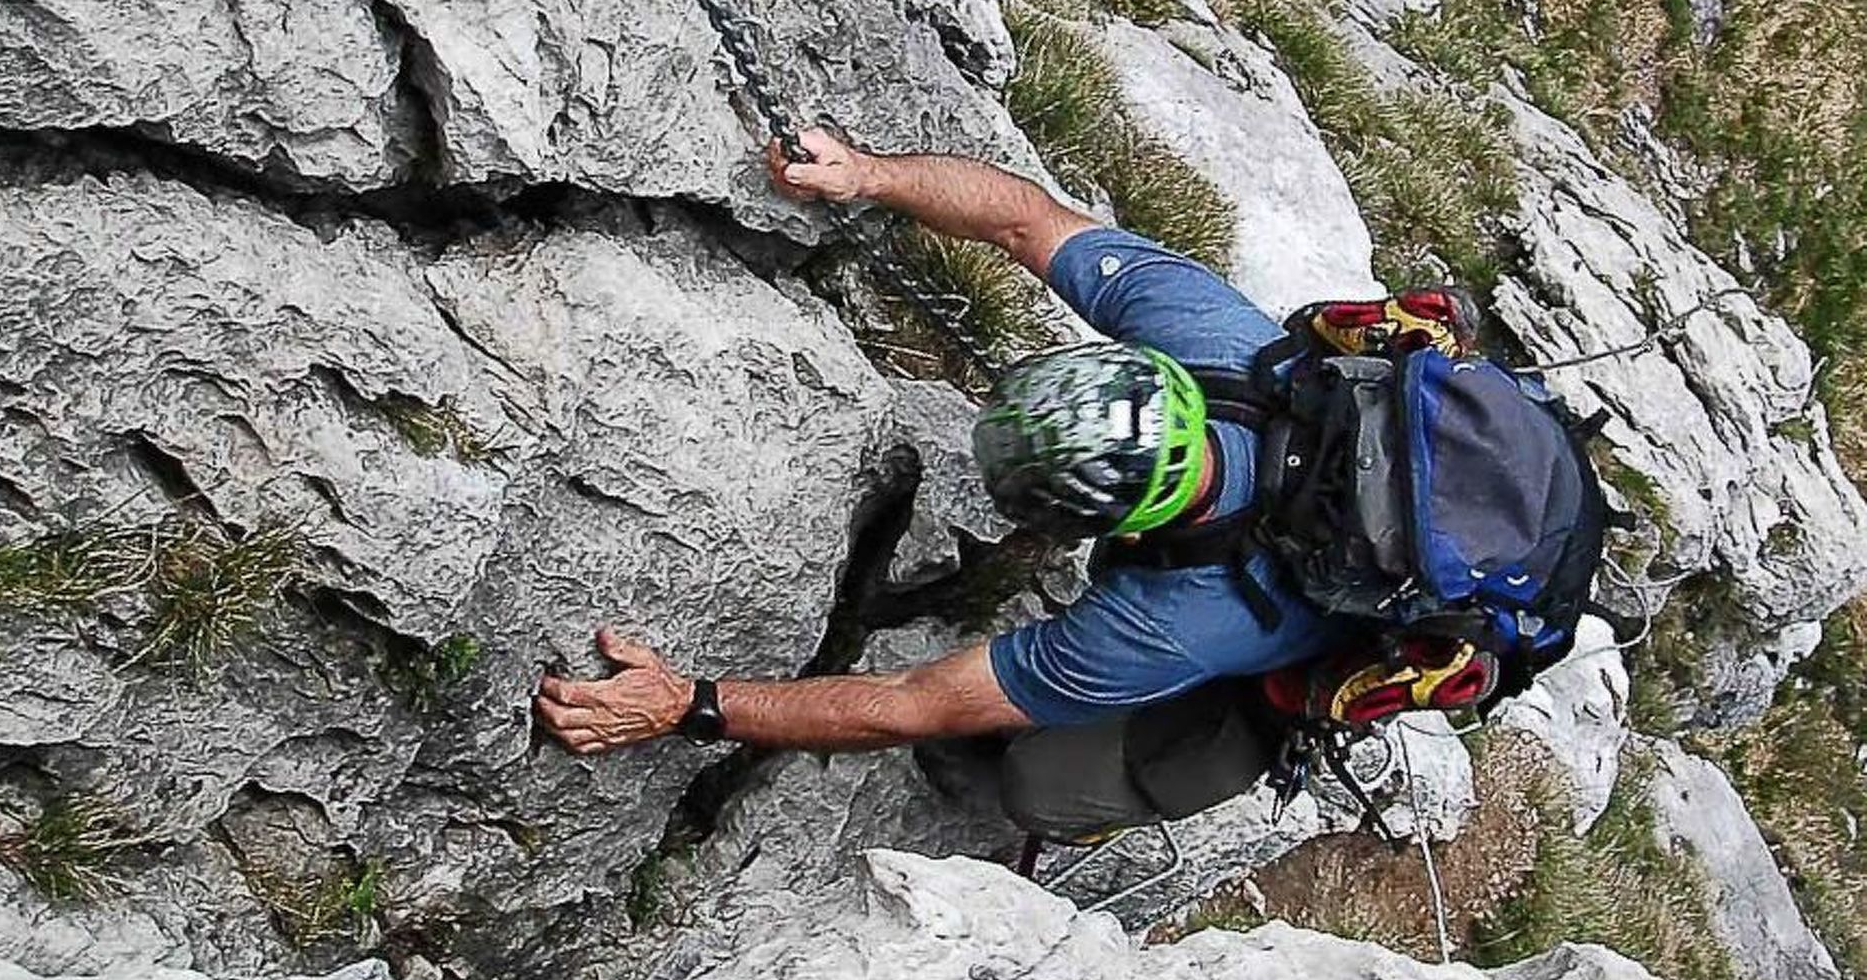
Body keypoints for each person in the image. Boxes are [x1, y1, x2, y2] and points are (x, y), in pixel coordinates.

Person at [533, 127, 1347, 839]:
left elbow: (913, 704)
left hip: (1337, 618)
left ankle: (1136, 782)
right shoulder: (1211, 335)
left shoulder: (1170, 624)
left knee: (1040, 787)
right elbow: (1025, 220)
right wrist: (865, 174)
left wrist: (688, 704)